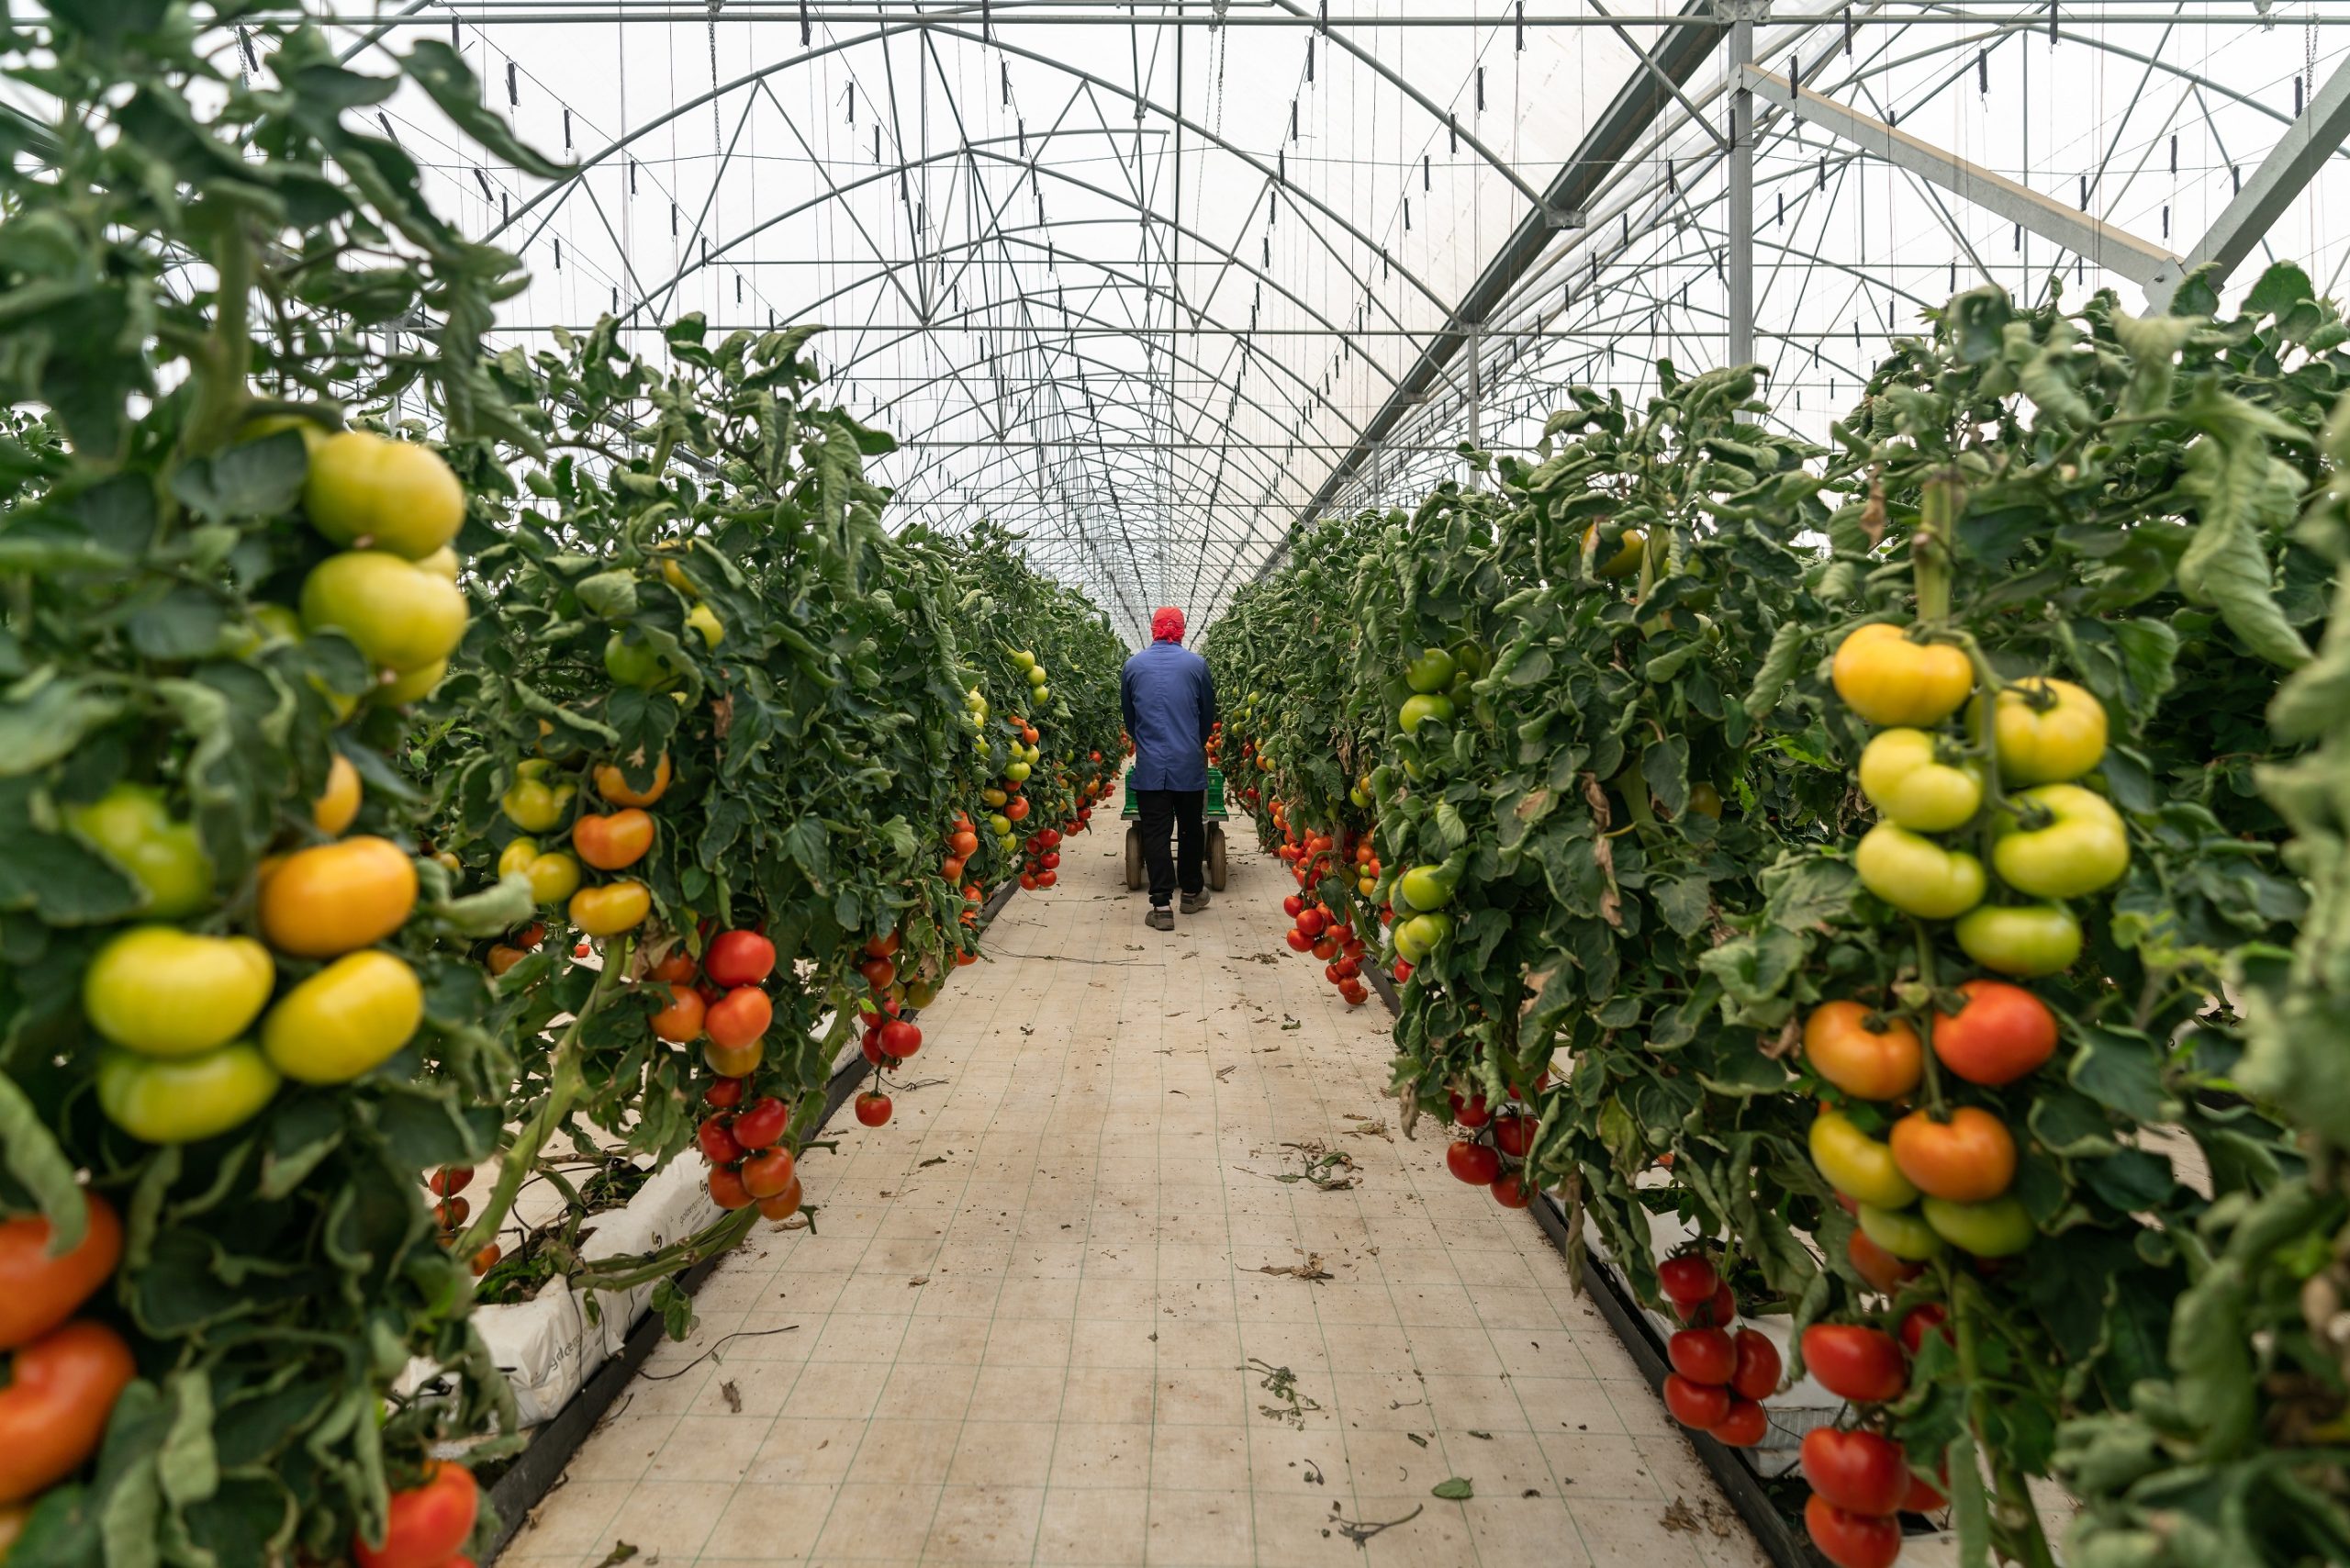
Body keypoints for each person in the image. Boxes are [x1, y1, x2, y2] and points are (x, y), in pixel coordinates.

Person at [1122, 606, 1217, 931]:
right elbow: (1206, 714)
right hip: (1188, 764)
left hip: (1150, 767)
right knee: (1191, 828)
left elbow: (1130, 719)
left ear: (1153, 629)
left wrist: (1147, 743)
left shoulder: (1133, 666)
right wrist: (1193, 742)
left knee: (1156, 834)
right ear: (1181, 630)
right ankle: (1191, 893)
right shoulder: (1197, 665)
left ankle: (1161, 906)